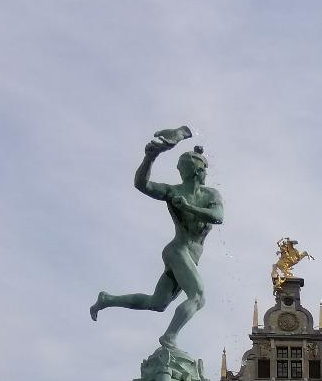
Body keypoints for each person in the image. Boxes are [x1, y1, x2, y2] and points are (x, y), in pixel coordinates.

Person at [90, 133, 224, 348]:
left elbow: (218, 217)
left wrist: (188, 207)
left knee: (157, 303)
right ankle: (169, 337)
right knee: (198, 296)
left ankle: (107, 299)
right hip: (177, 251)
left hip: (190, 257)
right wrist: (150, 158)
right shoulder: (173, 192)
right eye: (204, 169)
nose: (206, 173)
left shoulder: (211, 195)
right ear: (198, 171)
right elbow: (141, 184)